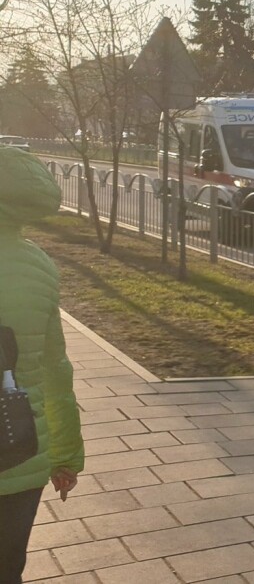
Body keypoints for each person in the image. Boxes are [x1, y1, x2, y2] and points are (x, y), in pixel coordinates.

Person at [0, 147, 82, 583]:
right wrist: (65, 456)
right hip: (19, 453)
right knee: (8, 566)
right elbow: (56, 372)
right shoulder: (39, 265)